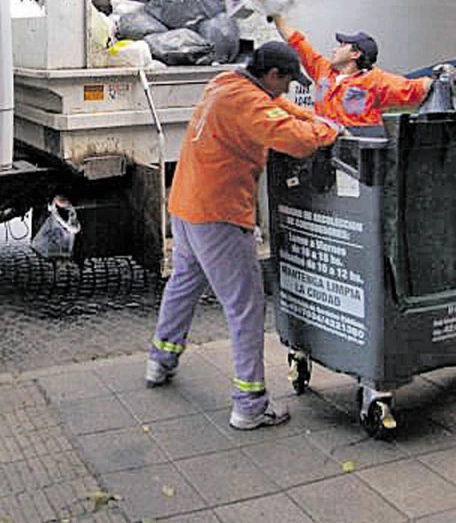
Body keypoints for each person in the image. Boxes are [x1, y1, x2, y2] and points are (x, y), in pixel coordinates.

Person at [145, 42, 341, 430]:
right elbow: (295, 140)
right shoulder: (250, 105)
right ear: (272, 76)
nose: (287, 91)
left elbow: (280, 110)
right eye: (286, 82)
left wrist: (312, 116)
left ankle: (160, 361)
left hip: (186, 204)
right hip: (218, 213)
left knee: (184, 282)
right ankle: (249, 405)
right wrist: (327, 131)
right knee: (246, 307)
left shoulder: (227, 82)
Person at [273, 15, 454, 128]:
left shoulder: (375, 80)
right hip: (324, 150)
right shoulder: (323, 69)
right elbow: (297, 41)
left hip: (358, 156)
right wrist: (276, 14)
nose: (335, 49)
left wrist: (442, 75)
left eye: (342, 45)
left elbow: (414, 88)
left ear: (356, 54)